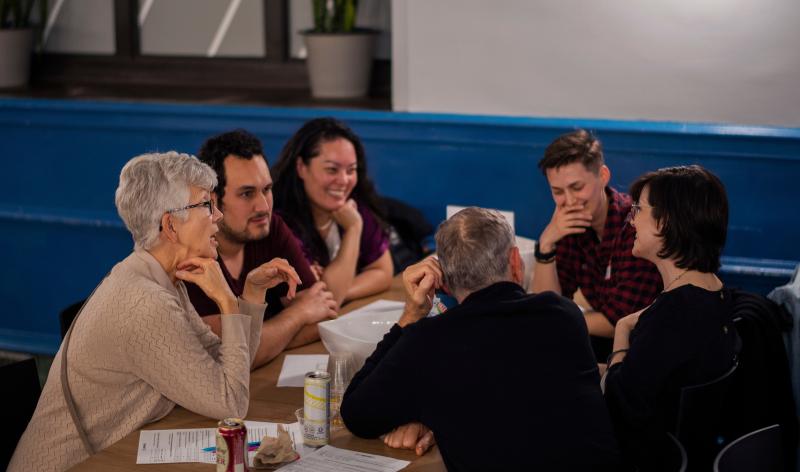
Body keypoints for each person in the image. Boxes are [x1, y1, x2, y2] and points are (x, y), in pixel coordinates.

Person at [9, 152, 290, 471]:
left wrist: (251, 295)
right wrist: (227, 302)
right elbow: (231, 402)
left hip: (116, 457)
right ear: (170, 225)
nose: (219, 217)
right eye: (206, 206)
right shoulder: (145, 301)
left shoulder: (162, 277)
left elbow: (224, 363)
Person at [341, 207, 620, 471]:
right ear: (515, 261)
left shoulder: (428, 341)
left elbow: (357, 416)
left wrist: (411, 315)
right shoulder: (564, 316)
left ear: (444, 282)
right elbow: (520, 405)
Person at [603, 165, 740, 470]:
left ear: (665, 222)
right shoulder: (714, 292)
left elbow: (619, 401)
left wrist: (622, 329)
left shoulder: (675, 314)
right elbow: (651, 373)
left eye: (638, 209)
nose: (632, 220)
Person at [187, 130, 338, 368]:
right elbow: (230, 356)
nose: (263, 205)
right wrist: (297, 315)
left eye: (267, 189)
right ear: (211, 200)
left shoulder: (268, 226)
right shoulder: (189, 254)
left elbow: (323, 315)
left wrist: (260, 342)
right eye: (247, 193)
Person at [531, 129, 662, 347]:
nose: (570, 201)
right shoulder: (568, 225)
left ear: (603, 176)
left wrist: (558, 319)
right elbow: (546, 305)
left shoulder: (635, 224)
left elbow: (621, 319)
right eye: (558, 191)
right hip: (604, 343)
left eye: (577, 187)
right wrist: (546, 244)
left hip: (649, 346)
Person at [271, 117, 393, 306]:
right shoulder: (280, 224)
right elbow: (309, 302)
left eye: (351, 170)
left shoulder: (352, 207)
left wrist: (341, 289)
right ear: (301, 167)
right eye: (332, 170)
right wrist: (353, 229)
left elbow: (383, 271)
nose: (344, 180)